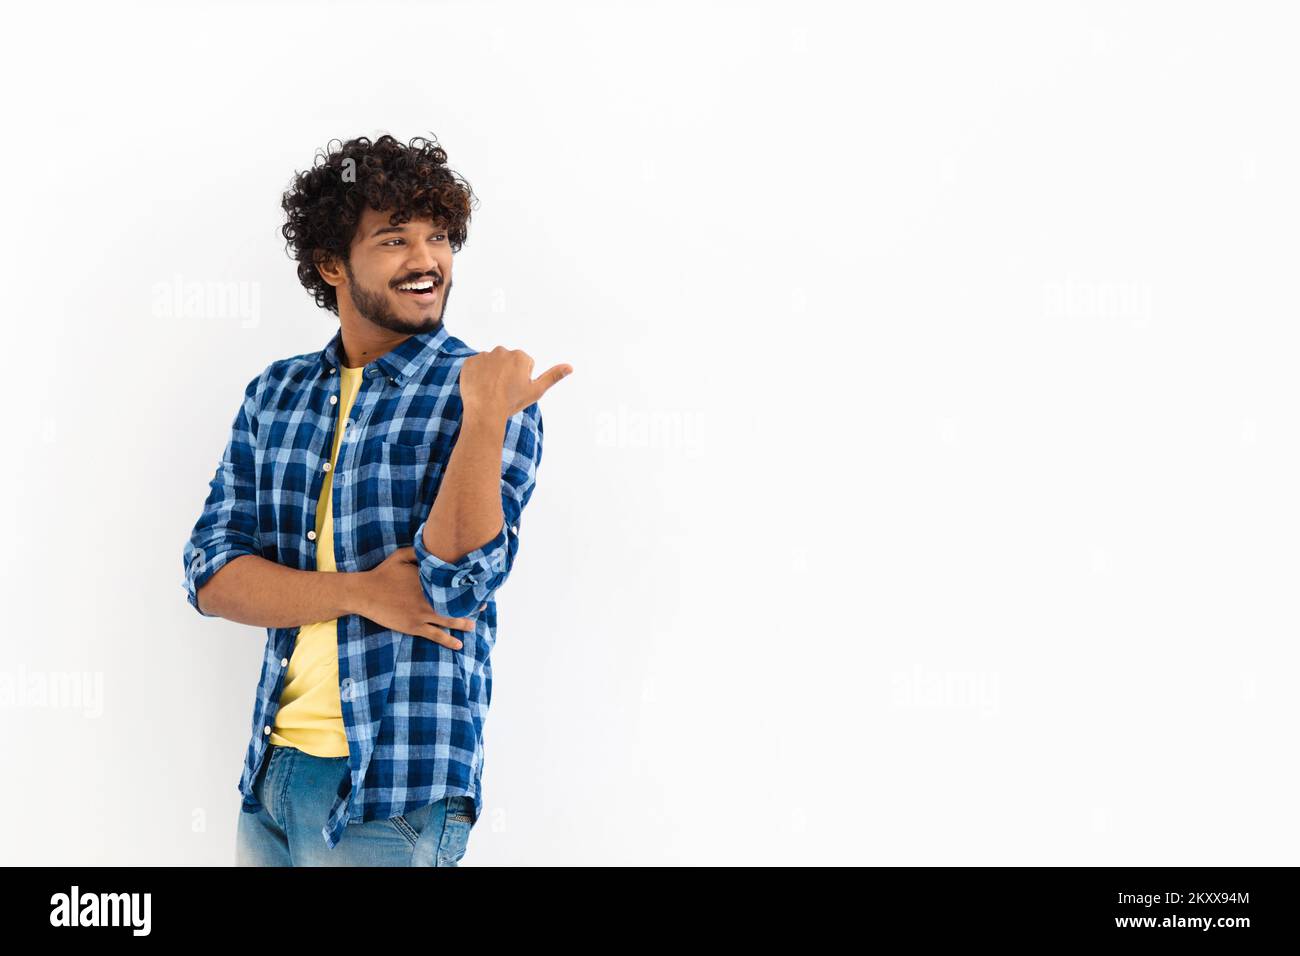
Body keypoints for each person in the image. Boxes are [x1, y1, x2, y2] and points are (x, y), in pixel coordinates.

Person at [181, 134, 572, 866]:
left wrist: (485, 419)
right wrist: (362, 591)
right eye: (395, 239)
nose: (426, 260)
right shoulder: (278, 393)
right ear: (332, 265)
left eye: (439, 237)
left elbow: (453, 585)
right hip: (271, 780)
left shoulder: (490, 393)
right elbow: (210, 575)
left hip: (395, 800)